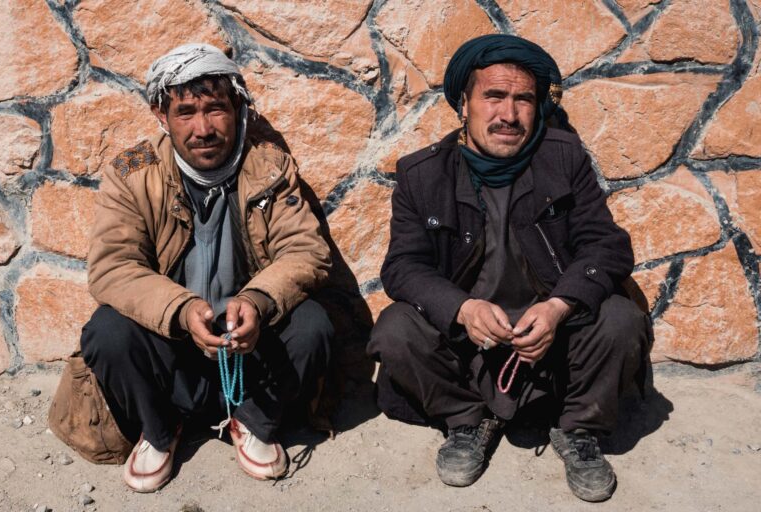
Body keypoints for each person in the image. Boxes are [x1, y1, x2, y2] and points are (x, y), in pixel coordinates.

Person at [367, 34, 651, 502]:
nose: (508, 114)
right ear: (464, 104)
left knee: (622, 318)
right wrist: (462, 309)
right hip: (470, 346)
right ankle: (467, 420)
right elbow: (402, 267)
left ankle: (577, 428)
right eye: (493, 96)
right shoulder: (421, 175)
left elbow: (607, 246)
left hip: (553, 344)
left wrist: (559, 307)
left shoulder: (564, 158)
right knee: (396, 329)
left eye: (524, 99)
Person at [79, 43, 333, 492]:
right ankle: (160, 430)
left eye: (216, 109)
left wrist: (257, 301)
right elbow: (112, 268)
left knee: (313, 324)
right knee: (106, 331)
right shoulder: (132, 171)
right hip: (173, 351)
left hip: (249, 353)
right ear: (161, 115)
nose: (203, 128)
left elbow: (305, 252)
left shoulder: (269, 167)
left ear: (237, 108)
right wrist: (180, 310)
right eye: (186, 112)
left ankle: (252, 420)